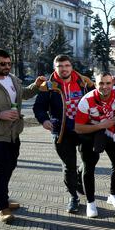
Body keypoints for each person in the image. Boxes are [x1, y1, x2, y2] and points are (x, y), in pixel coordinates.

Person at [0, 48, 46, 223]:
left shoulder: (12, 79)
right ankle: (2, 207)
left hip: (12, 131)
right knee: (1, 167)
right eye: (2, 63)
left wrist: (36, 86)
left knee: (10, 165)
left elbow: (23, 94)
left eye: (9, 63)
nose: (7, 66)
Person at [33, 55, 94, 213]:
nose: (64, 68)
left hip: (83, 128)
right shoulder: (48, 85)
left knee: (89, 160)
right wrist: (44, 120)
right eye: (60, 66)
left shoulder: (83, 81)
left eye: (67, 65)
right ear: (55, 68)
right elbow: (38, 107)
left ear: (71, 66)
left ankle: (79, 177)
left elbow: (98, 97)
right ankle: (73, 197)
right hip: (61, 132)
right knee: (69, 166)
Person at [75, 72, 115, 218]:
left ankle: (113, 194)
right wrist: (101, 125)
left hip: (111, 130)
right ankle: (91, 203)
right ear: (95, 84)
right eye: (101, 83)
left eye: (108, 83)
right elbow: (78, 128)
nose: (104, 87)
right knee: (89, 167)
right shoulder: (86, 101)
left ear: (113, 83)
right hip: (89, 132)